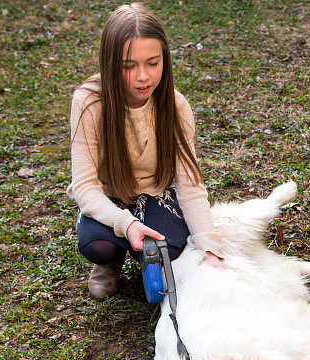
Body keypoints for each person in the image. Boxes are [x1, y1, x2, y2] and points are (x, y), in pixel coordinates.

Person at [68, 3, 225, 301]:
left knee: (174, 248)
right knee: (99, 245)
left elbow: (190, 185)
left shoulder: (175, 105)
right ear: (110, 63)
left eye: (153, 63)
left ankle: (145, 258)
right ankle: (109, 265)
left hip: (155, 194)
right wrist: (126, 225)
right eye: (129, 66)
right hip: (109, 195)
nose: (143, 77)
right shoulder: (88, 102)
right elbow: (85, 187)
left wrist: (209, 248)